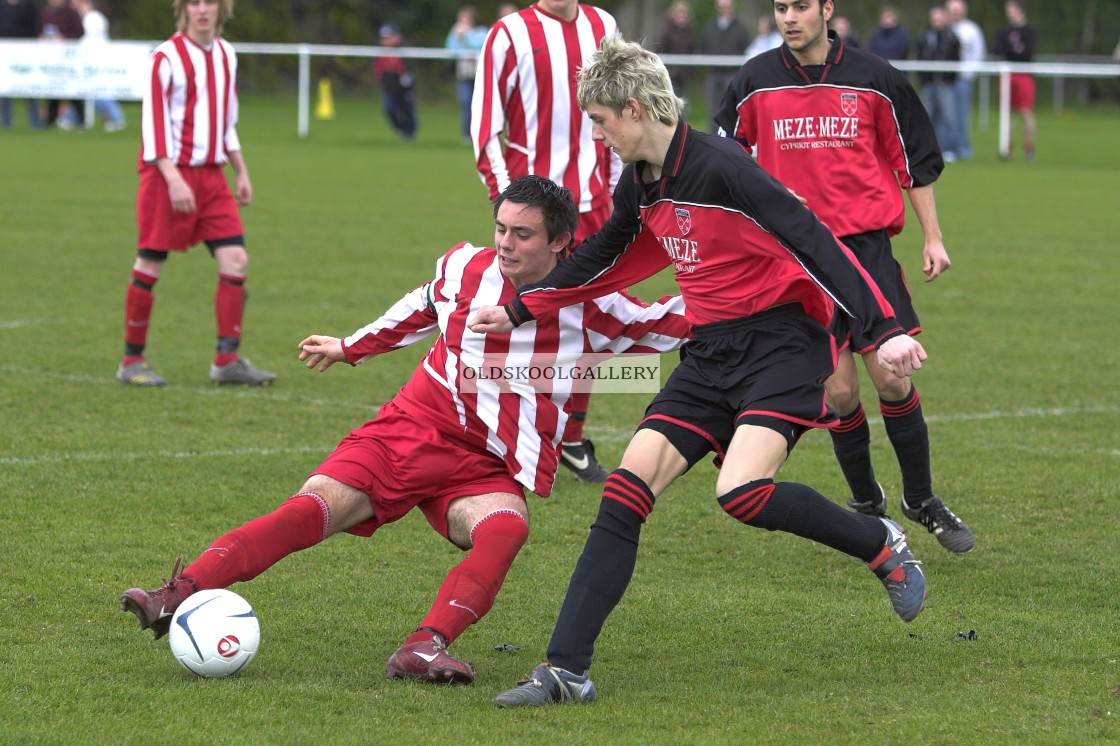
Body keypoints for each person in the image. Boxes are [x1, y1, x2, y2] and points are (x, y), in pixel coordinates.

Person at [470, 35, 931, 708]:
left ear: (632, 108)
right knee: (625, 491)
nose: (598, 137)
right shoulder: (642, 181)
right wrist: (520, 310)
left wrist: (882, 328)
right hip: (711, 350)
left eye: (600, 122)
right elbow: (603, 252)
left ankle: (878, 542)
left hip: (782, 343)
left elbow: (813, 239)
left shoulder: (723, 165)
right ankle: (566, 670)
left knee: (742, 492)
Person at [120, 174, 691, 686]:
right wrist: (349, 348)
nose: (505, 244)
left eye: (523, 235)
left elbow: (670, 321)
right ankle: (176, 594)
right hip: (412, 429)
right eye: (501, 228)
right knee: (312, 509)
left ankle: (422, 648)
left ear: (561, 242)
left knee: (505, 531)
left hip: (487, 463)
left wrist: (759, 308)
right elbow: (419, 308)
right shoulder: (465, 268)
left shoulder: (591, 305)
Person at [716, 0, 973, 554]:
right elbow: (723, 164)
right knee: (837, 392)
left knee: (893, 379)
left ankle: (921, 498)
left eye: (801, 6)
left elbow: (915, 161)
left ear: (826, 9)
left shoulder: (876, 78)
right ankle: (868, 506)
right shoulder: (752, 82)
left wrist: (934, 237)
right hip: (798, 262)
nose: (789, 16)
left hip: (866, 251)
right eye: (780, 7)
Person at [472, 0, 623, 482]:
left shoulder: (605, 25)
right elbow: (484, 128)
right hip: (531, 211)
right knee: (518, 321)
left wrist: (620, 191)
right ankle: (506, 435)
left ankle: (572, 439)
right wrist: (506, 200)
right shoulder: (508, 34)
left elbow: (619, 115)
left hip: (595, 203)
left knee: (589, 326)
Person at [117, 0, 275, 387]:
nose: (202, 9)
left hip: (211, 176)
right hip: (165, 174)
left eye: (209, 2)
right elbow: (153, 126)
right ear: (183, 9)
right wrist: (172, 179)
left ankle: (227, 360)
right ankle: (131, 361)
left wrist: (240, 169)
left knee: (235, 258)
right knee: (150, 264)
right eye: (194, 2)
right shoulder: (165, 58)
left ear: (222, 9)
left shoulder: (226, 55)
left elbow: (227, 120)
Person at [72, 0, 127, 132]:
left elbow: (88, 40)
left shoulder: (91, 19)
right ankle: (74, 118)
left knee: (99, 91)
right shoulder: (96, 18)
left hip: (96, 58)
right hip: (94, 58)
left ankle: (116, 118)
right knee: (89, 91)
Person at [915, 6, 961, 161]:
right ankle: (927, 150)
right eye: (934, 19)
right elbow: (920, 56)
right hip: (928, 83)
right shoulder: (924, 35)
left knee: (949, 118)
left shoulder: (951, 37)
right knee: (926, 117)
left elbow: (956, 59)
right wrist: (923, 79)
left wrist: (949, 78)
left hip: (945, 83)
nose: (937, 22)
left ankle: (949, 149)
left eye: (939, 19)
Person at [993, 0, 1037, 161]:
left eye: (1012, 9)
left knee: (1026, 112)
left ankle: (1029, 148)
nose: (1009, 13)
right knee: (1007, 113)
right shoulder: (1004, 31)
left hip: (1024, 74)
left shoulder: (1030, 31)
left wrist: (1013, 51)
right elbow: (998, 50)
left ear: (1020, 10)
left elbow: (1027, 53)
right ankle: (1007, 147)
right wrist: (1013, 50)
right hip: (1007, 74)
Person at [698, 0, 750, 133]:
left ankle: (730, 136)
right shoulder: (710, 26)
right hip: (713, 73)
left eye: (727, 6)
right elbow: (703, 45)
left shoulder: (741, 27)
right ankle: (713, 136)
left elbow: (746, 48)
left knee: (730, 107)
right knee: (713, 108)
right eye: (722, 6)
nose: (724, 9)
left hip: (732, 73)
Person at [946, 0, 984, 161]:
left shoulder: (971, 30)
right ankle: (947, 149)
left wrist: (970, 73)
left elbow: (978, 52)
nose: (955, 13)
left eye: (957, 10)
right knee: (947, 116)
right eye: (952, 10)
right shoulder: (944, 29)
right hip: (946, 79)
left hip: (963, 78)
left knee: (962, 114)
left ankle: (963, 148)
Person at [38, 0, 84, 129]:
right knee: (53, 90)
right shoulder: (45, 13)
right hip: (51, 58)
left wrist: (65, 37)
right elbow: (37, 29)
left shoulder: (71, 13)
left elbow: (79, 32)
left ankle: (80, 120)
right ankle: (50, 121)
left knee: (73, 90)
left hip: (68, 58)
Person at [445, 6, 488, 144]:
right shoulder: (456, 32)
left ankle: (482, 132)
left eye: (466, 18)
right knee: (465, 103)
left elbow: (480, 46)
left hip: (480, 73)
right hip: (464, 73)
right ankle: (466, 134)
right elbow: (450, 50)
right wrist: (456, 36)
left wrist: (467, 36)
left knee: (481, 104)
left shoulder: (481, 32)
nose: (463, 21)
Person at [0, 0, 42, 130]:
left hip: (26, 51)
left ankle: (35, 122)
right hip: (4, 51)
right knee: (5, 87)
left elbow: (37, 26)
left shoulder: (29, 6)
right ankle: (5, 122)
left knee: (31, 86)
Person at [373, 23, 417, 141]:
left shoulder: (404, 50)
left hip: (404, 88)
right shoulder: (380, 53)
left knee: (407, 109)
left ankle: (409, 134)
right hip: (389, 88)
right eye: (384, 38)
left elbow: (408, 68)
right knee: (389, 109)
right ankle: (400, 129)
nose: (386, 41)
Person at [656, 1, 695, 103]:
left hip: (684, 75)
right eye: (678, 13)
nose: (681, 16)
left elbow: (691, 50)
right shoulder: (666, 31)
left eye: (683, 13)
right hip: (669, 74)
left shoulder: (690, 31)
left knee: (683, 103)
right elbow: (660, 49)